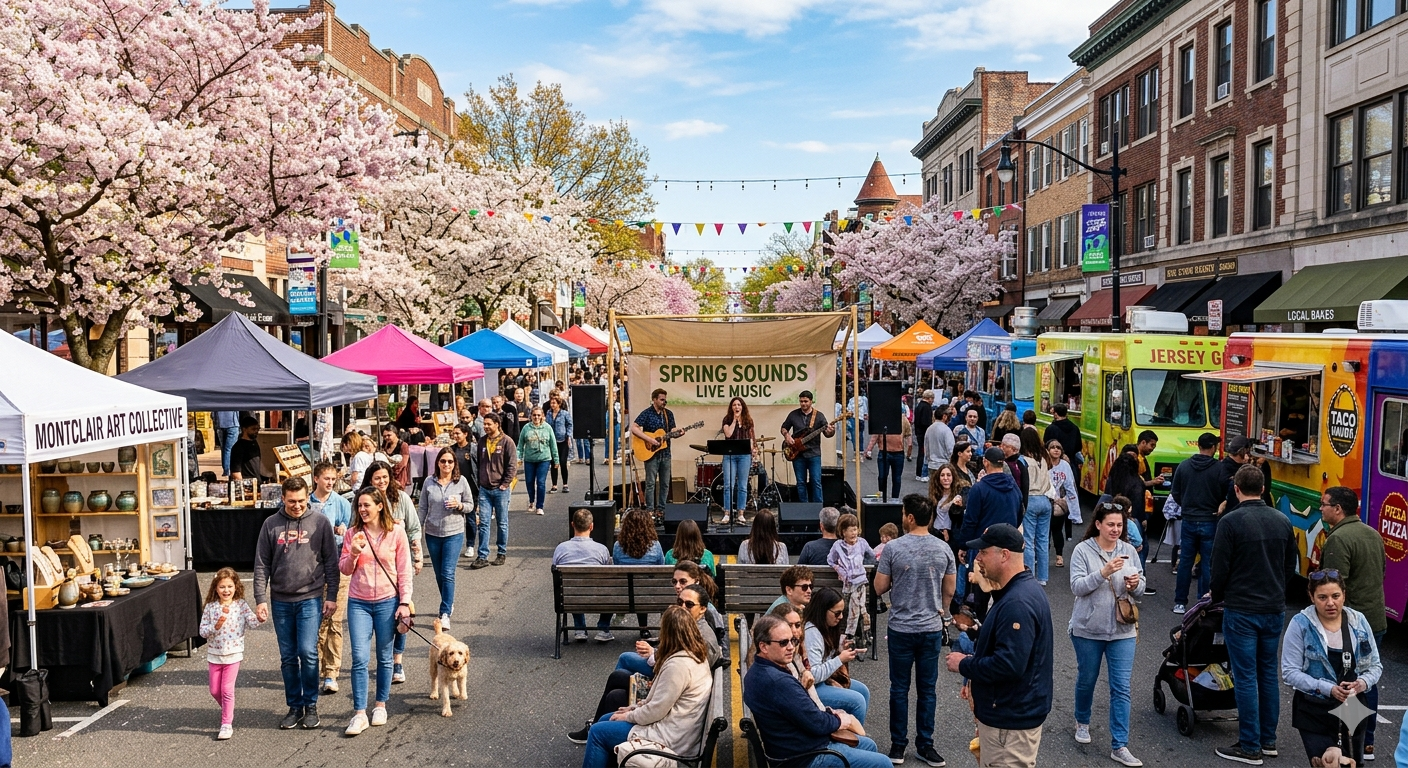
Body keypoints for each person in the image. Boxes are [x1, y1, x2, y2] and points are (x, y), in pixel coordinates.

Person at [1210, 464, 1299, 765]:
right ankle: (1268, 739)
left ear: (1236, 489)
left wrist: (1217, 596)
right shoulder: (1282, 520)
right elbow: (1289, 565)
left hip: (1242, 608)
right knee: (1267, 673)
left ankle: (1249, 745)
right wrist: (1278, 589)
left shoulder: (1230, 522)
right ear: (1263, 489)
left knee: (1246, 676)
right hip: (1273, 608)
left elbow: (1219, 568)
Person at [945, 523, 1054, 768]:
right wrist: (977, 633)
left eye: (983, 552)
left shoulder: (1017, 602)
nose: (978, 559)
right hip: (1009, 717)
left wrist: (965, 664)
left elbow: (1009, 664)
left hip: (1009, 723)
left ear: (1004, 555)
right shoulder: (1018, 591)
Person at [874, 493, 956, 766]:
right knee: (927, 689)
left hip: (901, 627)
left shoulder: (893, 548)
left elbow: (879, 587)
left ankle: (898, 746)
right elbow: (949, 589)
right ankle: (925, 744)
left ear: (910, 517)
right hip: (931, 627)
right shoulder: (944, 548)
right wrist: (943, 612)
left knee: (899, 688)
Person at [743, 615, 889, 768]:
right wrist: (841, 720)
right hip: (805, 757)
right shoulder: (778, 682)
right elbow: (817, 723)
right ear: (764, 647)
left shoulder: (757, 671)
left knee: (869, 745)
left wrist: (831, 715)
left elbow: (805, 713)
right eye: (783, 643)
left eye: (793, 641)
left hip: (791, 747)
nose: (791, 647)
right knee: (883, 763)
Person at [252, 476, 340, 731]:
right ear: (283, 498)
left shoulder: (320, 522)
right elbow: (261, 565)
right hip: (280, 600)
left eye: (301, 500)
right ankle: (294, 706)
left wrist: (331, 596)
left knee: (308, 652)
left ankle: (311, 705)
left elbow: (331, 562)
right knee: (288, 657)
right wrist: (260, 599)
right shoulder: (270, 524)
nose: (297, 505)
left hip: (310, 598)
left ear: (307, 497)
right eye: (292, 501)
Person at [580, 606, 714, 768]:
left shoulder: (678, 667)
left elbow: (656, 710)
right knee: (604, 719)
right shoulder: (692, 655)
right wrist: (633, 708)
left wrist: (629, 715)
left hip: (670, 738)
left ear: (668, 633)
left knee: (597, 733)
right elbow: (658, 701)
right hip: (677, 728)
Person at [1069, 500, 1146, 767]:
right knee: (1087, 679)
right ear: (1098, 524)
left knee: (1121, 687)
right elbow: (1077, 587)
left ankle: (1120, 745)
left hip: (1123, 629)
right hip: (1088, 629)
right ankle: (1082, 720)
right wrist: (1103, 573)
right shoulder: (1082, 550)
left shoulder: (1128, 550)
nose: (1115, 529)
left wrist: (1136, 584)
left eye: (1119, 525)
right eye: (1110, 524)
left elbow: (1141, 585)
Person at [1281, 570, 1382, 766]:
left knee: (1351, 764)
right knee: (1328, 764)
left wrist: (1361, 683)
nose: (1330, 603)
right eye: (1322, 597)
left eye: (1335, 596)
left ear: (1344, 594)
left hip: (1352, 709)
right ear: (1312, 597)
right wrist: (1327, 688)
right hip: (1313, 709)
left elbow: (1375, 666)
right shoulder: (1301, 624)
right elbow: (1289, 672)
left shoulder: (1358, 621)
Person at [1317, 485, 1388, 758]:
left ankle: (1349, 740)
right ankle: (1367, 741)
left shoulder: (1338, 539)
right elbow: (1381, 572)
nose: (1321, 509)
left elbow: (1333, 588)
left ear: (1338, 509)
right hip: (1375, 618)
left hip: (1351, 624)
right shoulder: (1373, 534)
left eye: (1324, 504)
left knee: (1345, 681)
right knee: (1367, 679)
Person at [339, 486, 413, 736]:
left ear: (380, 506)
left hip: (387, 601)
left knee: (384, 656)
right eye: (359, 505)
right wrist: (353, 553)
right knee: (359, 658)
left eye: (366, 505)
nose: (362, 509)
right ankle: (359, 713)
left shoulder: (396, 533)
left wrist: (405, 603)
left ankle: (380, 704)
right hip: (358, 602)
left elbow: (404, 571)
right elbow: (344, 569)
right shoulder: (353, 534)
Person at [359, 460, 423, 681]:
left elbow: (414, 529)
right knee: (380, 623)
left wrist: (417, 556)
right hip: (369, 572)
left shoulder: (401, 499)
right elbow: (353, 529)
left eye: (385, 477)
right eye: (377, 478)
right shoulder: (362, 502)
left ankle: (397, 662)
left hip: (398, 569)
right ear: (370, 480)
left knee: (402, 614)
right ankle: (380, 660)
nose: (382, 481)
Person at [956, 447, 1022, 620]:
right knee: (1003, 587)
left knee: (982, 589)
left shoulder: (979, 489)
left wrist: (963, 546)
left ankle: (981, 624)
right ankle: (1001, 620)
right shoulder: (1014, 487)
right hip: (1006, 547)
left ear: (985, 462)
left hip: (983, 546)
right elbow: (1020, 514)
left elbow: (970, 520)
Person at [199, 567, 261, 740]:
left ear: (236, 587)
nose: (226, 590)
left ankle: (226, 723)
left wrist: (260, 617)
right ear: (215, 588)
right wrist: (215, 627)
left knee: (227, 689)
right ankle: (228, 709)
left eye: (229, 586)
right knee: (214, 690)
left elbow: (252, 622)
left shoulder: (240, 605)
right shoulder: (211, 607)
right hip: (215, 654)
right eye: (222, 587)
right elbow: (202, 631)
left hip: (233, 653)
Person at [1169, 432, 1225, 614]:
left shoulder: (1184, 466)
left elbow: (1175, 492)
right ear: (1213, 447)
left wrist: (1186, 505)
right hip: (1210, 519)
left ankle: (1179, 602)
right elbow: (1226, 492)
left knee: (1185, 561)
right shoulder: (1219, 469)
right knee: (1208, 563)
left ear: (1198, 445)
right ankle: (1204, 600)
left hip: (1189, 519)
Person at [309, 462, 352, 695]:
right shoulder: (306, 503)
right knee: (315, 621)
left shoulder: (342, 503)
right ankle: (314, 667)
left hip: (337, 567)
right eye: (326, 478)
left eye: (333, 479)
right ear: (316, 478)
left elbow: (350, 535)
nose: (330, 482)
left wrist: (341, 532)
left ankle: (331, 673)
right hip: (311, 571)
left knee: (334, 621)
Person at [418, 447, 472, 631]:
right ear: (438, 463)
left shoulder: (461, 481)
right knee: (439, 573)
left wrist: (459, 505)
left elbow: (470, 505)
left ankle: (445, 613)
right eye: (443, 461)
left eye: (450, 461)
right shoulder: (429, 481)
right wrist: (417, 530)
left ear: (454, 463)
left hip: (454, 533)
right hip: (432, 533)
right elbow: (422, 508)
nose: (446, 464)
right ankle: (448, 601)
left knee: (448, 572)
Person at [803, 587, 871, 723]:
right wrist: (839, 659)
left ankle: (852, 731)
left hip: (823, 681)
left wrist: (839, 651)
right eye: (837, 613)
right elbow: (814, 675)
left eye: (842, 612)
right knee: (857, 701)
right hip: (812, 688)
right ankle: (852, 735)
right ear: (823, 611)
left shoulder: (826, 628)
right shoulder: (812, 633)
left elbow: (824, 660)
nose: (840, 617)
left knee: (863, 691)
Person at [554, 508, 614, 643]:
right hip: (598, 597)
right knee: (611, 587)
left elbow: (555, 569)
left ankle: (580, 628)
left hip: (569, 599)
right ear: (591, 526)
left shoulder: (561, 549)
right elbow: (609, 574)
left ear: (572, 524)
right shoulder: (601, 549)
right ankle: (603, 628)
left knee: (572, 587)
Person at [472, 413, 516, 569]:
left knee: (502, 522)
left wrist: (505, 484)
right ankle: (482, 556)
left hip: (501, 489)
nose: (485, 426)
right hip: (485, 489)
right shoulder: (482, 441)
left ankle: (501, 553)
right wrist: (480, 482)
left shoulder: (507, 442)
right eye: (484, 424)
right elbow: (479, 463)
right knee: (483, 523)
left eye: (488, 424)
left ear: (497, 424)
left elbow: (512, 465)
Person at [614, 508, 666, 638]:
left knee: (635, 585)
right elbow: (661, 567)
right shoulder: (655, 546)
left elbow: (616, 566)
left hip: (625, 592)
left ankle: (610, 624)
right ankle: (646, 629)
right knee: (644, 585)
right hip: (649, 592)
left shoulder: (618, 546)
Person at [827, 513, 874, 642]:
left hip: (860, 582)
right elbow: (830, 560)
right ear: (843, 532)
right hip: (847, 585)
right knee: (859, 607)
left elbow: (872, 556)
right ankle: (866, 631)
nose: (854, 533)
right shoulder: (838, 545)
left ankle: (850, 635)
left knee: (855, 605)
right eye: (851, 530)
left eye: (855, 529)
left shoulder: (862, 543)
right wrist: (839, 570)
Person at [783, 390, 836, 503]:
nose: (803, 404)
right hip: (797, 454)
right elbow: (784, 427)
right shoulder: (793, 414)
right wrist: (787, 435)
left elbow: (827, 434)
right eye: (801, 401)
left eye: (806, 401)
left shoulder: (819, 416)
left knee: (816, 481)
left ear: (811, 401)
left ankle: (817, 507)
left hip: (814, 453)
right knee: (800, 482)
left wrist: (831, 431)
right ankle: (804, 506)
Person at [631, 388, 678, 512]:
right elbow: (634, 428)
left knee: (665, 483)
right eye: (661, 400)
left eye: (665, 400)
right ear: (654, 400)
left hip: (665, 454)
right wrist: (649, 439)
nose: (664, 402)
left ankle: (662, 509)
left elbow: (672, 429)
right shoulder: (647, 413)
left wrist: (677, 432)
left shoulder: (668, 414)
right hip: (651, 454)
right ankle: (650, 510)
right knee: (650, 483)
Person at [1020, 427, 1055, 586]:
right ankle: (1043, 577)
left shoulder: (1023, 460)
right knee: (1042, 540)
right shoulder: (1044, 457)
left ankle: (1030, 576)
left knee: (1028, 540)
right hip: (1045, 499)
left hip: (1031, 499)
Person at [721, 397, 756, 524]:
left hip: (744, 456)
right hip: (729, 456)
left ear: (742, 407)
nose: (737, 407)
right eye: (734, 405)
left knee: (742, 485)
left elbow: (751, 438)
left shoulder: (748, 420)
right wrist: (734, 421)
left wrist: (753, 450)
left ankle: (741, 513)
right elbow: (728, 434)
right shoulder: (727, 419)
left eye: (739, 405)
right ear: (731, 407)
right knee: (728, 485)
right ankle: (727, 513)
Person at [1047, 439, 1082, 568]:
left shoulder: (1065, 466)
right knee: (1045, 532)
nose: (1056, 449)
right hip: (1046, 502)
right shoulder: (1043, 463)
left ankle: (1059, 556)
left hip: (1060, 504)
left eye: (1058, 447)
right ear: (1047, 450)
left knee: (1057, 530)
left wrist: (1073, 508)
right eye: (1052, 447)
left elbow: (1071, 486)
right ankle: (1042, 556)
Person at [518, 406, 558, 516]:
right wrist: (518, 458)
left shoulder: (548, 428)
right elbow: (520, 445)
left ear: (542, 416)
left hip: (544, 459)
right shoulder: (526, 428)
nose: (536, 417)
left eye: (539, 415)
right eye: (534, 415)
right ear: (531, 416)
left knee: (540, 482)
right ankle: (531, 501)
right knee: (529, 482)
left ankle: (540, 506)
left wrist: (556, 460)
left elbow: (553, 445)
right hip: (529, 459)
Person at [927, 462, 969, 543]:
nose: (945, 478)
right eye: (942, 475)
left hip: (953, 535)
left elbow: (958, 515)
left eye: (948, 475)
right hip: (935, 532)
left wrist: (958, 505)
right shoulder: (935, 493)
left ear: (953, 477)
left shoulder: (961, 492)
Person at [868, 421, 905, 500]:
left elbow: (908, 434)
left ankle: (895, 499)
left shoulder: (903, 420)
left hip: (899, 453)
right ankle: (881, 493)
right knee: (882, 476)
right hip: (884, 451)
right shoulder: (882, 420)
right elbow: (875, 435)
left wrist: (909, 445)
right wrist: (869, 449)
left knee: (897, 478)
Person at [546, 395, 573, 493]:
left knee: (563, 462)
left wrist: (568, 435)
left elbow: (570, 425)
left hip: (563, 441)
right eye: (551, 403)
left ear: (559, 404)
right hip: (552, 441)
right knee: (553, 463)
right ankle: (554, 485)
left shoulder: (564, 414)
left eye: (554, 403)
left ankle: (565, 484)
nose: (552, 405)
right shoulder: (548, 413)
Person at [1044, 403, 1082, 470]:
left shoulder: (1051, 429)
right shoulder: (1075, 428)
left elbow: (1046, 445)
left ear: (1056, 414)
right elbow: (1078, 447)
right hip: (1071, 463)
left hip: (1055, 463)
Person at [229, 415, 267, 482]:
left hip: (257, 482)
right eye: (253, 429)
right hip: (247, 483)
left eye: (258, 429)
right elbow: (235, 472)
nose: (256, 431)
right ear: (244, 429)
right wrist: (242, 486)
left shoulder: (254, 442)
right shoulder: (238, 447)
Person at [923, 404, 955, 482]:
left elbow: (926, 448)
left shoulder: (929, 429)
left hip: (932, 464)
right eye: (949, 416)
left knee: (934, 487)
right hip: (944, 464)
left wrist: (928, 460)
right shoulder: (946, 430)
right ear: (944, 416)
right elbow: (951, 450)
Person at [379, 423, 411, 489]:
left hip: (399, 477)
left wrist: (390, 474)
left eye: (389, 435)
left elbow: (403, 463)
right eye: (384, 436)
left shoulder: (403, 445)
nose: (386, 438)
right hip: (387, 476)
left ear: (395, 434)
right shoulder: (385, 445)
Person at [914, 390, 934, 481]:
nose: (933, 400)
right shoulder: (927, 407)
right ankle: (922, 473)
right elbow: (926, 422)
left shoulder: (919, 406)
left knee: (921, 453)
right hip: (924, 433)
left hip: (919, 432)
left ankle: (918, 473)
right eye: (932, 398)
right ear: (929, 398)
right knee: (924, 453)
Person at [214, 410, 240, 477]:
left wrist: (216, 421)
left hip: (220, 424)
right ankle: (229, 470)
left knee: (224, 449)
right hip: (233, 423)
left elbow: (212, 412)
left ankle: (226, 470)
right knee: (230, 449)